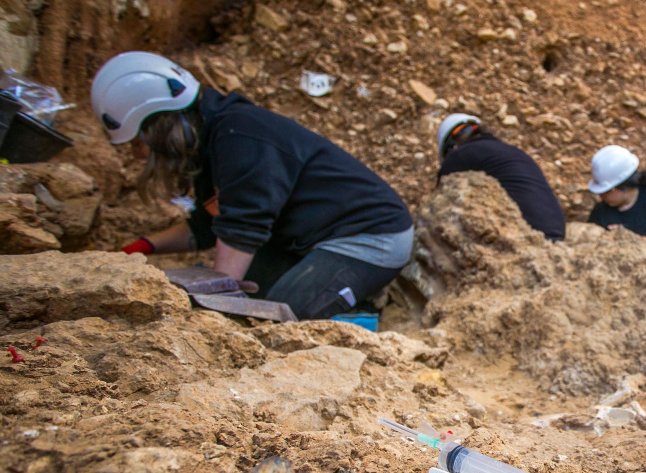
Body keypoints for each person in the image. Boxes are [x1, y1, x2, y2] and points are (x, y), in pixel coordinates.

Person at [92, 51, 414, 320]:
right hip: (309, 236)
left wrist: (214, 308)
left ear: (157, 127)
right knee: (253, 294)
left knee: (277, 316)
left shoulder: (240, 136)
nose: (137, 155)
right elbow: (210, 225)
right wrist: (142, 247)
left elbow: (243, 229)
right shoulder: (216, 138)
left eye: (138, 144)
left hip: (370, 238)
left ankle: (361, 316)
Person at [436, 113, 566, 241]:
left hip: (530, 233)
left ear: (451, 145)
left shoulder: (462, 154)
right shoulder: (508, 151)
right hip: (557, 230)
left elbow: (439, 199)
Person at [586, 145, 646, 244]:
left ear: (621, 188)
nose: (601, 197)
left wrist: (630, 239)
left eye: (605, 192)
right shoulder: (600, 210)